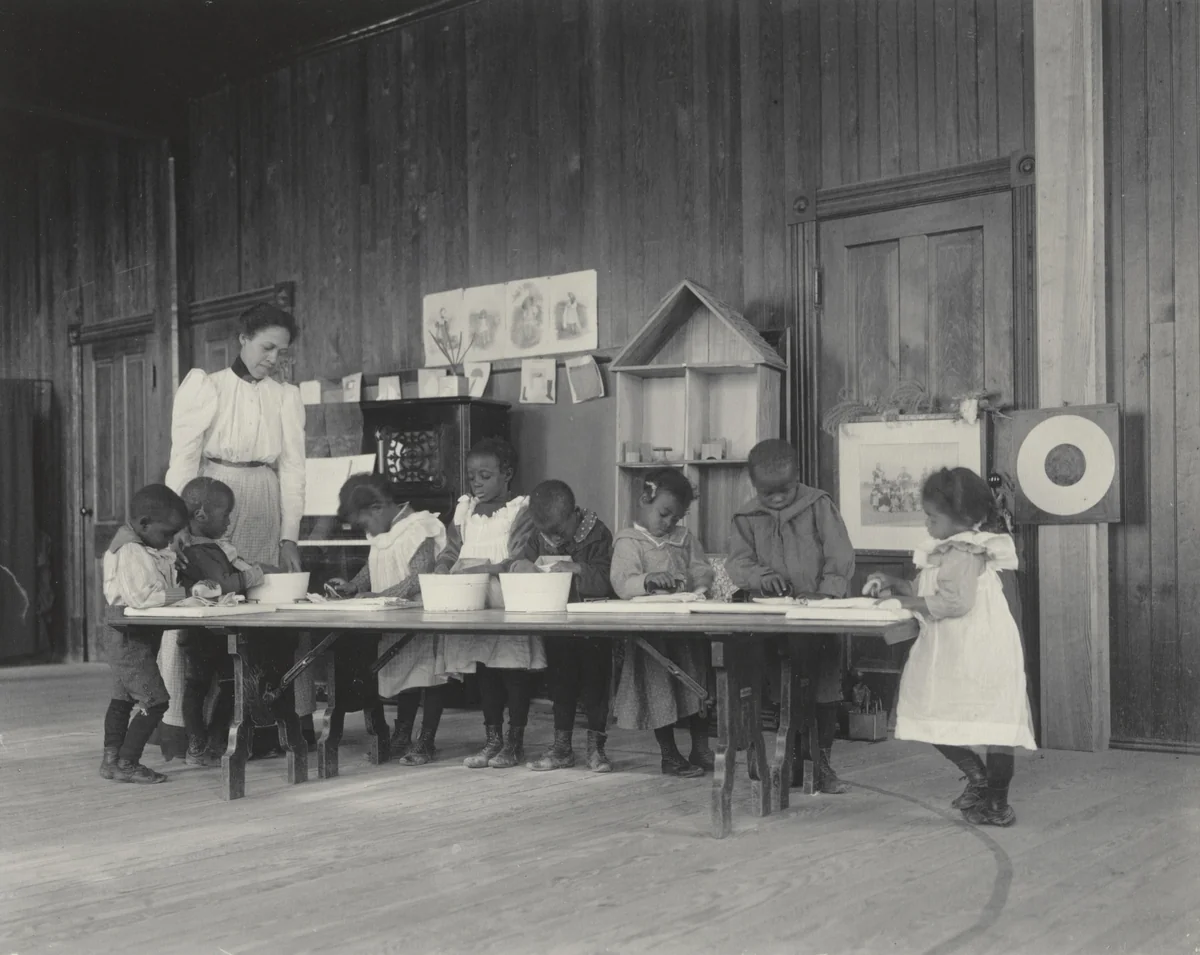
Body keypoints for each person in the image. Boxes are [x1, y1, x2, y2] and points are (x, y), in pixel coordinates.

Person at [162, 302, 315, 749]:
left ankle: (267, 724)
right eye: (267, 347)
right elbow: (183, 457)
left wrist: (290, 534)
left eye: (282, 352)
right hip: (211, 494)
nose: (274, 358)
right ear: (243, 339)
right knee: (205, 596)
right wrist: (180, 520)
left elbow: (295, 470)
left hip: (265, 498)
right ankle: (185, 727)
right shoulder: (206, 387)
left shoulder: (286, 397)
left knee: (263, 601)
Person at [864, 467, 1037, 827]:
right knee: (932, 711)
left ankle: (996, 802)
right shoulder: (949, 549)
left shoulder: (965, 552)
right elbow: (930, 588)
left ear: (961, 519)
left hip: (976, 649)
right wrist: (896, 584)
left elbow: (953, 602)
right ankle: (980, 780)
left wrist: (907, 604)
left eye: (931, 517)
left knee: (992, 723)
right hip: (954, 649)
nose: (926, 525)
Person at [726, 439, 856, 794]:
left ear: (798, 475)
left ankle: (821, 764)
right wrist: (760, 578)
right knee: (775, 689)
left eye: (786, 489)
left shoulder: (819, 506)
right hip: (771, 622)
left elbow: (839, 554)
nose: (779, 499)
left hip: (819, 617)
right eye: (769, 494)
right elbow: (738, 562)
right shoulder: (746, 518)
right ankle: (779, 762)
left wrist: (827, 592)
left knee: (822, 690)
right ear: (754, 486)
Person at [327, 474, 448, 766]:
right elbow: (375, 564)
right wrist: (355, 585)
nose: (365, 529)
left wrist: (378, 595)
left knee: (429, 675)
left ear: (378, 508)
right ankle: (403, 734)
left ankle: (427, 739)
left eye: (364, 522)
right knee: (405, 673)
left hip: (422, 614)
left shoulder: (419, 527)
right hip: (394, 616)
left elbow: (421, 576)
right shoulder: (384, 532)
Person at [437, 438, 541, 769]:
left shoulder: (520, 510)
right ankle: (492, 739)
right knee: (484, 669)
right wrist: (442, 567)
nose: (477, 483)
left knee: (512, 670)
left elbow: (521, 556)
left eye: (485, 475)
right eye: (472, 476)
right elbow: (452, 550)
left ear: (507, 474)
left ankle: (515, 741)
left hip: (506, 600)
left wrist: (484, 568)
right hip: (473, 600)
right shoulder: (465, 510)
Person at [609, 468, 715, 778]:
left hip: (685, 629)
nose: (668, 523)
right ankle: (669, 755)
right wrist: (648, 580)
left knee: (697, 686)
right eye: (664, 514)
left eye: (676, 519)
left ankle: (701, 748)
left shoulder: (684, 540)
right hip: (652, 634)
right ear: (645, 499)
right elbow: (622, 583)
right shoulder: (629, 542)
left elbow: (701, 570)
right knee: (659, 692)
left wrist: (699, 588)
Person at [511, 480, 615, 773]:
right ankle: (561, 749)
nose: (553, 538)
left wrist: (579, 570)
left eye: (558, 531)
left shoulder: (598, 534)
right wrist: (523, 568)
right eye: (546, 533)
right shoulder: (540, 536)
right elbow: (520, 563)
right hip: (557, 625)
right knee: (560, 686)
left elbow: (610, 578)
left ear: (574, 515)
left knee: (595, 687)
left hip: (593, 625)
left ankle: (597, 749)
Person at [173, 476, 270, 768]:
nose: (229, 521)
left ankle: (206, 744)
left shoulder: (206, 547)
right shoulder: (199, 551)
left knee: (205, 687)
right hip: (206, 634)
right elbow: (222, 584)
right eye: (225, 514)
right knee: (210, 686)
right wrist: (252, 575)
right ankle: (205, 744)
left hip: (207, 633)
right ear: (201, 515)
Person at [99, 485, 194, 784]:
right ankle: (127, 762)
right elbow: (143, 597)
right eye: (166, 534)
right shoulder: (130, 550)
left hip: (131, 634)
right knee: (155, 701)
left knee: (123, 698)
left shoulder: (143, 546)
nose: (169, 540)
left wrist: (168, 559)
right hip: (128, 636)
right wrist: (185, 593)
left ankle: (111, 761)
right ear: (143, 524)